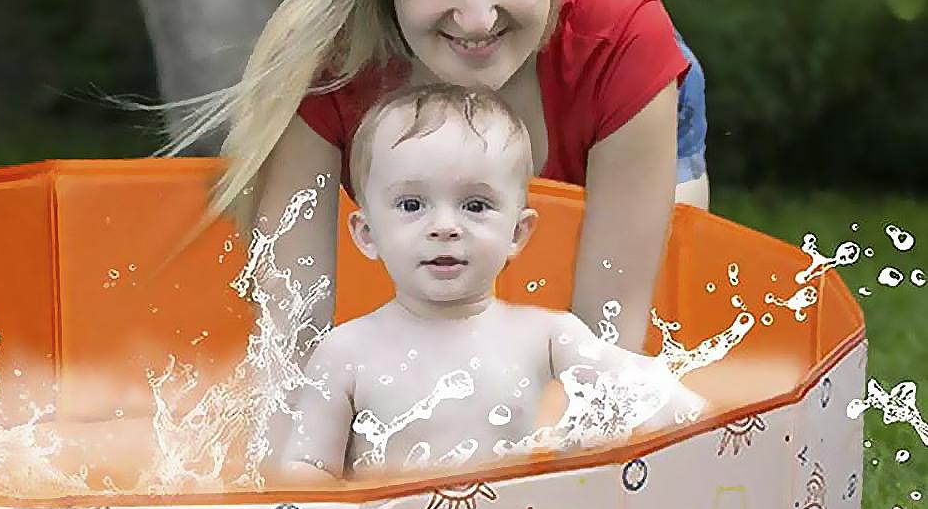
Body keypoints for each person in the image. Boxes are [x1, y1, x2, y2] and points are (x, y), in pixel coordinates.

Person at [170, 0, 708, 363]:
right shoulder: (327, 57)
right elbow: (289, 352)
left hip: (627, 96)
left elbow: (610, 348)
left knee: (656, 341)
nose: (476, 19)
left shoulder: (620, 40)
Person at [276, 80, 704, 482]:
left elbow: (656, 398)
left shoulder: (548, 337)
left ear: (517, 233)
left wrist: (710, 426)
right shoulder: (346, 352)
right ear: (367, 234)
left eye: (476, 205)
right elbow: (308, 471)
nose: (444, 226)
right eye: (411, 204)